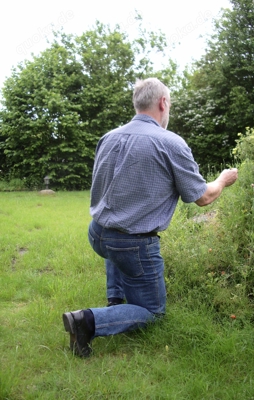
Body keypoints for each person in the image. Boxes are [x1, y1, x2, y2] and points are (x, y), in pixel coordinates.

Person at [62, 77, 238, 357]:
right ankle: (87, 321)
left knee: (117, 243)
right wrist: (222, 180)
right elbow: (203, 197)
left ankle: (115, 301)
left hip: (97, 233)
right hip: (131, 245)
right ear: (163, 102)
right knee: (153, 313)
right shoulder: (170, 143)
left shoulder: (109, 137)